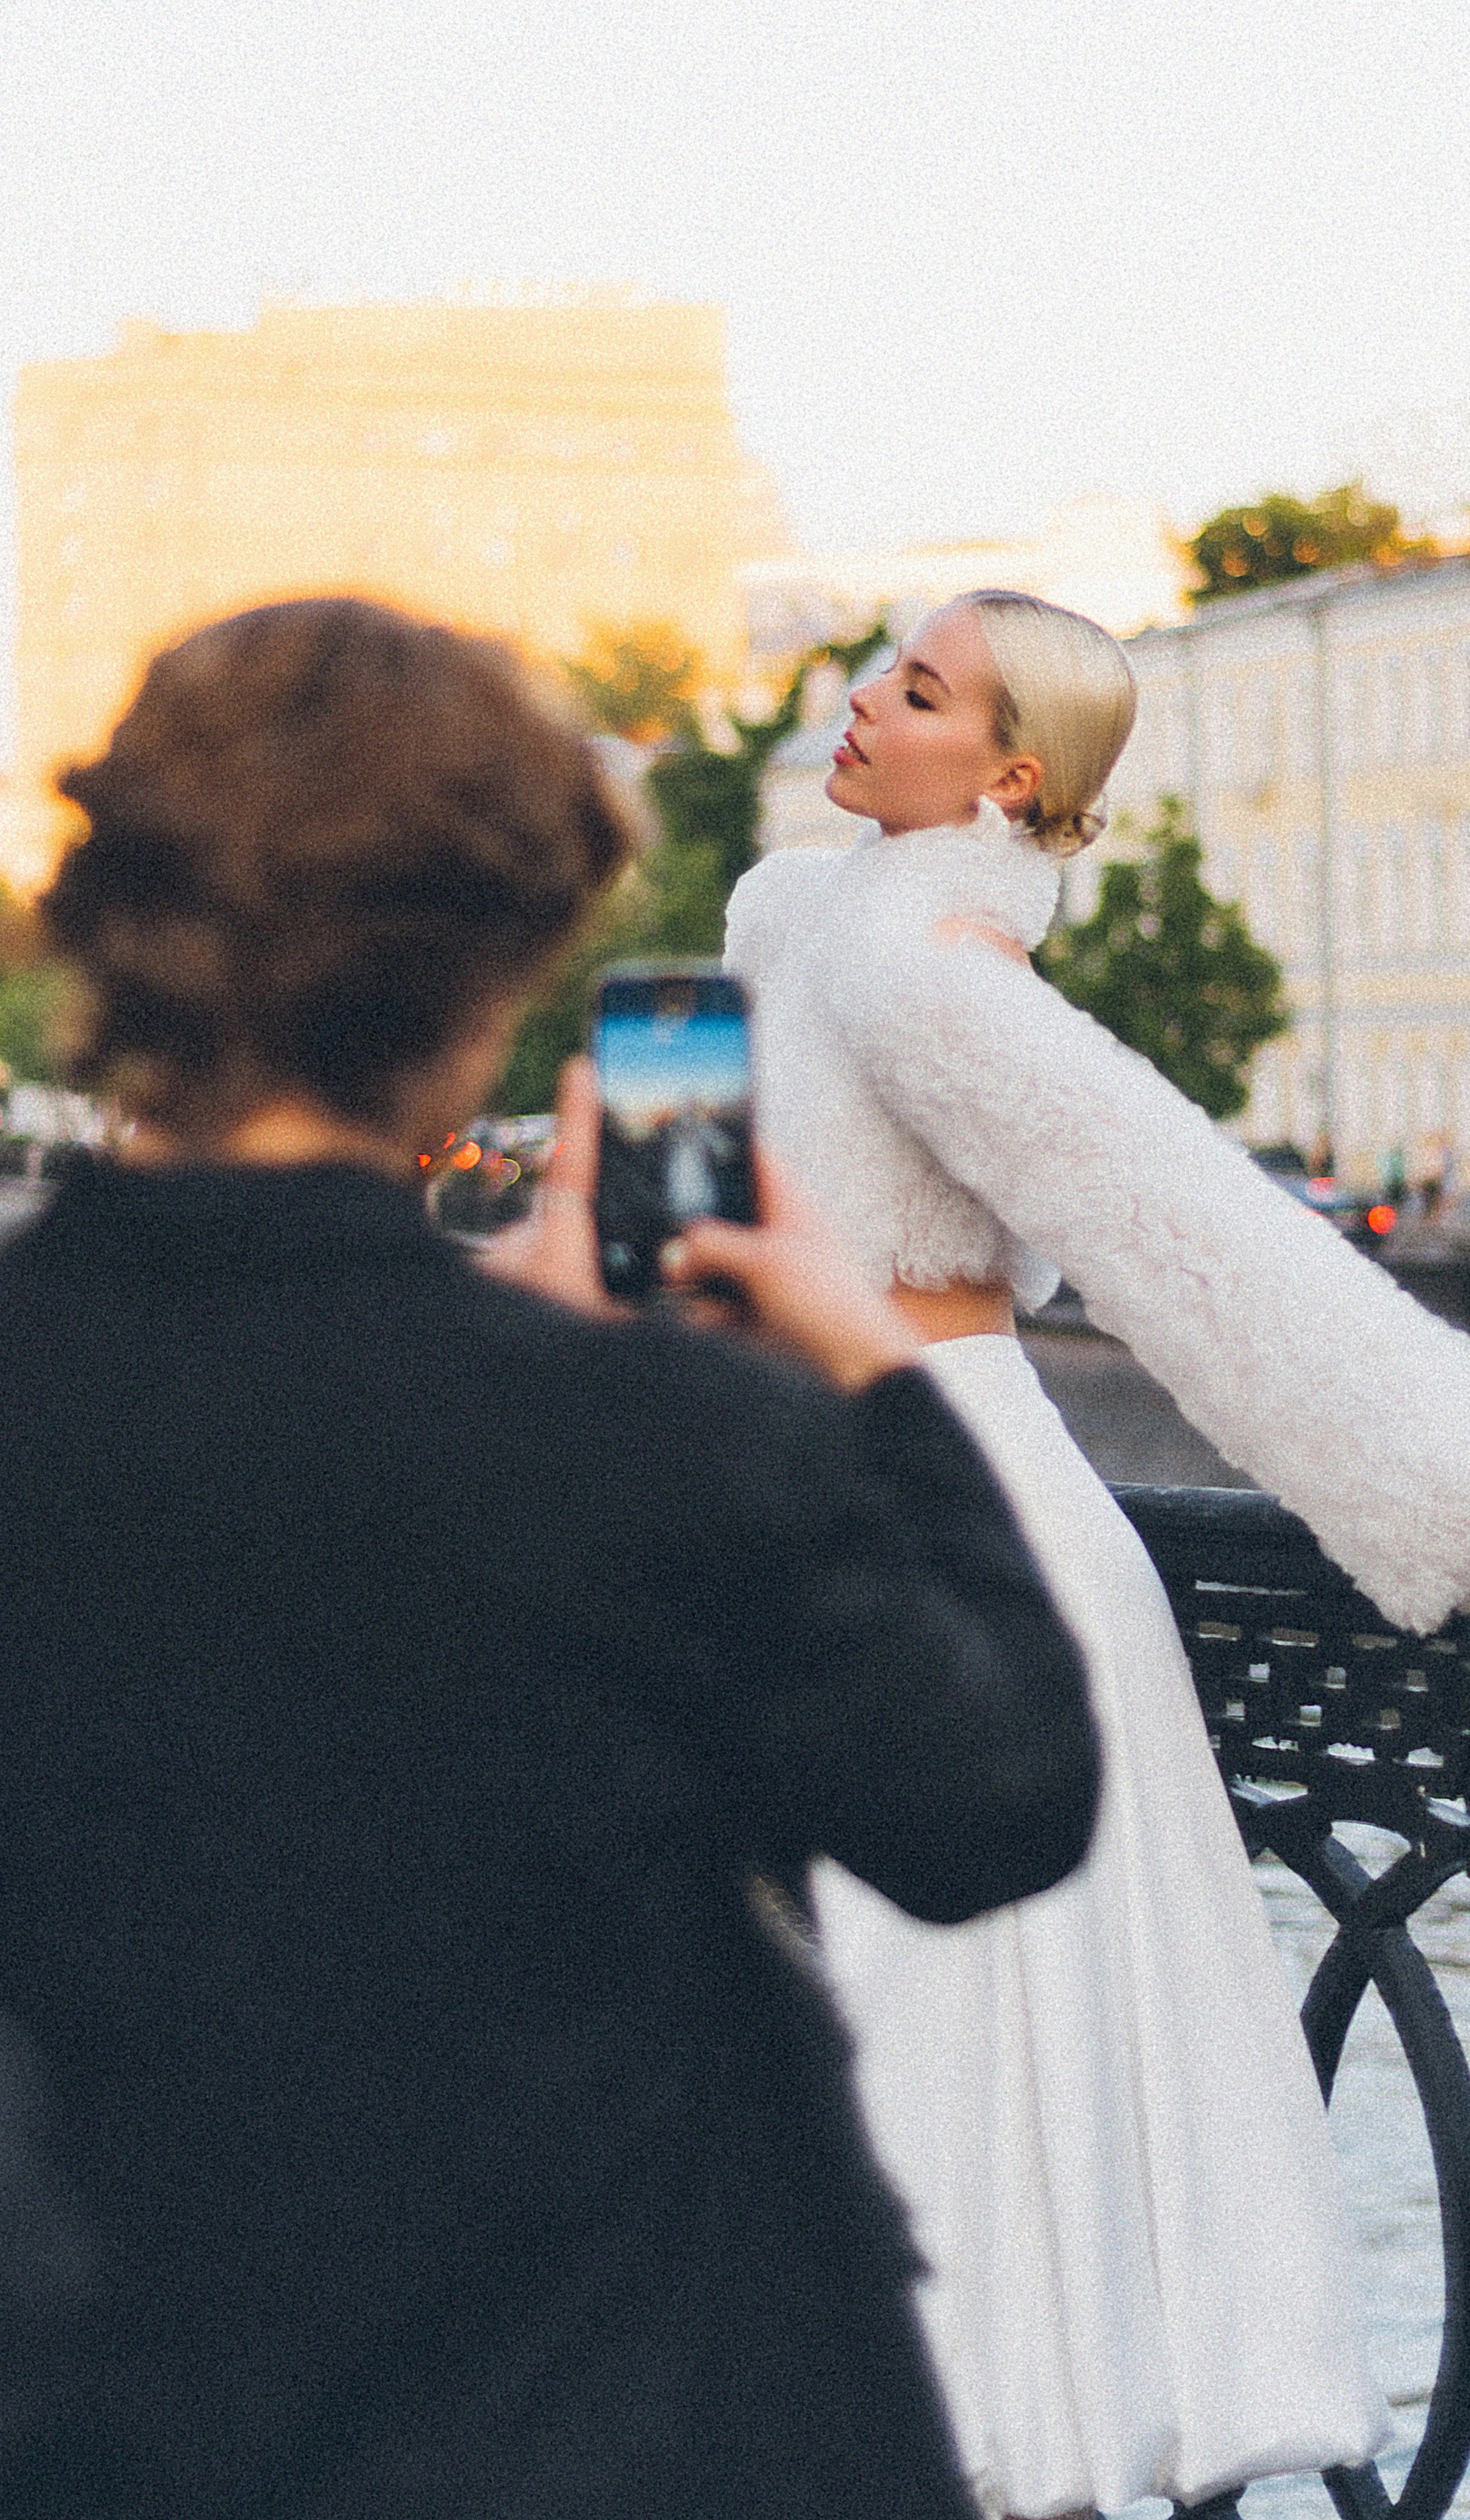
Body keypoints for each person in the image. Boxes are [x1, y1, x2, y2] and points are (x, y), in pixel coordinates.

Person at [0, 597, 1102, 2520]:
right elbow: (992, 1798)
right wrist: (861, 1366)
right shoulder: (645, 1438)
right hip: (611, 2423)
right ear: (482, 993)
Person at [724, 589, 1470, 2520]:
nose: (860, 701)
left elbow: (1192, 1239)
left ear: (1006, 775)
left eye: (918, 691)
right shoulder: (789, 923)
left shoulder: (935, 974)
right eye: (881, 669)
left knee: (932, 2064)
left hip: (952, 1530)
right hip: (817, 1515)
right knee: (856, 2049)